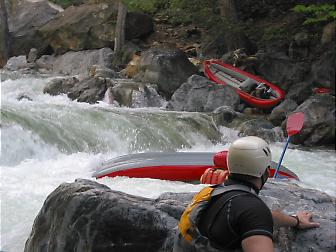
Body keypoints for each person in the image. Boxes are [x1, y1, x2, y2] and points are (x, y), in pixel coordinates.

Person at [173, 136, 320, 252]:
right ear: (266, 172)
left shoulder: (211, 193)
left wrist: (296, 220)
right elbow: (254, 216)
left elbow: (259, 217)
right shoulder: (251, 209)